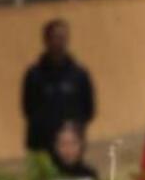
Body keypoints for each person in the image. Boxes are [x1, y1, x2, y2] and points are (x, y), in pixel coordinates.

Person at [21, 18, 95, 153]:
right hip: (41, 145)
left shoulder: (79, 74)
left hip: (70, 148)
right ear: (46, 40)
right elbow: (28, 109)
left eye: (63, 37)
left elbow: (88, 109)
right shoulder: (34, 75)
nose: (60, 42)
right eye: (56, 37)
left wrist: (72, 133)